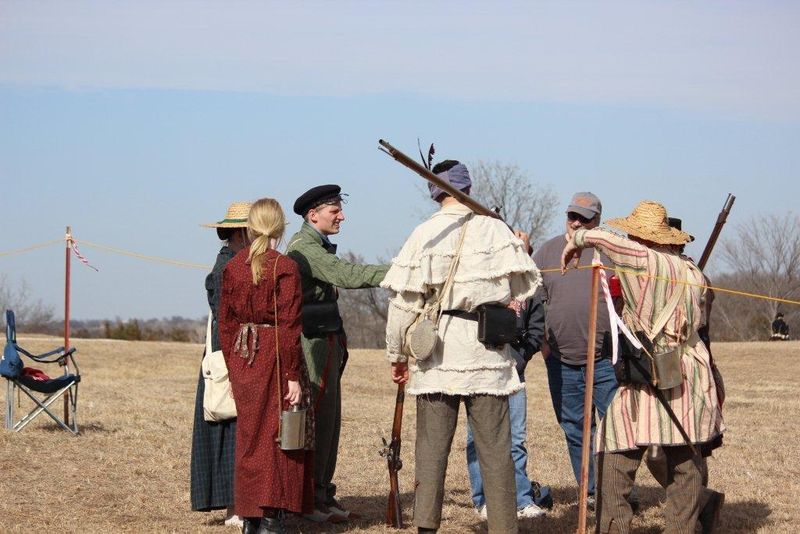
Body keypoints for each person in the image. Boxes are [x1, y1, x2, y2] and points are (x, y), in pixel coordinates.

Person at [382, 159, 541, 534]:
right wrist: (515, 248)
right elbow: (522, 288)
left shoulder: (423, 233)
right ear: (468, 188)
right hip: (487, 354)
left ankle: (426, 527)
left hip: (437, 354)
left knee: (430, 451)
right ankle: (504, 528)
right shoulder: (495, 229)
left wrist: (397, 355)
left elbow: (403, 305)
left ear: (434, 193)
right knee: (496, 450)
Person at [561, 200, 725, 534]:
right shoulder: (692, 271)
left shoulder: (644, 259)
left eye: (634, 235)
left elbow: (605, 239)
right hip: (682, 368)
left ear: (644, 238)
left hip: (657, 367)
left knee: (617, 455)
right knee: (682, 462)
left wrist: (576, 241)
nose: (630, 239)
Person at [285, 184, 389, 522]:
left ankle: (322, 495)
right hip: (312, 344)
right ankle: (310, 500)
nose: (341, 216)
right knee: (316, 421)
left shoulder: (317, 245)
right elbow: (345, 274)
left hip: (326, 340)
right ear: (313, 215)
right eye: (334, 210)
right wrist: (398, 271)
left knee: (330, 422)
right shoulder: (305, 246)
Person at [217, 198, 315, 534]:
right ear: (280, 226)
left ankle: (251, 519)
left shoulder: (234, 266)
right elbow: (289, 327)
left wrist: (234, 367)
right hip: (273, 357)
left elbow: (225, 325)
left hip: (244, 357)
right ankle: (270, 519)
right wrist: (292, 376)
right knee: (276, 438)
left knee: (249, 440)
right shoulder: (284, 266)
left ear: (249, 227)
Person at [532, 192, 618, 508]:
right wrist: (544, 346)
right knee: (575, 429)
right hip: (561, 361)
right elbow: (532, 301)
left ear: (598, 220)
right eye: (573, 216)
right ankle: (591, 491)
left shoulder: (611, 252)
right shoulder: (546, 253)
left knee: (616, 428)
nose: (577, 222)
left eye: (585, 218)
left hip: (607, 360)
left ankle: (618, 490)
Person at [191, 201, 252, 527]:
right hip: (226, 357)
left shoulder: (237, 262)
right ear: (241, 233)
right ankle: (234, 508)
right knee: (229, 429)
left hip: (235, 354)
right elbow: (226, 320)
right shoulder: (226, 267)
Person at [465, 294, 548, 520]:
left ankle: (522, 500)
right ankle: (483, 500)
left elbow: (537, 326)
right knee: (477, 438)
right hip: (480, 371)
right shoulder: (481, 282)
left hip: (514, 374)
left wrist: (521, 356)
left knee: (516, 438)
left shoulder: (528, 287)